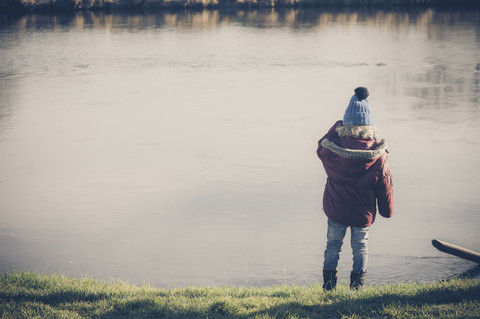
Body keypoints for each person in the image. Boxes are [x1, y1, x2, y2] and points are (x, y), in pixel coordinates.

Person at [316, 87, 394, 291]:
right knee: (360, 247)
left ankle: (329, 287)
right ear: (370, 123)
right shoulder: (378, 154)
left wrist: (337, 126)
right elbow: (385, 185)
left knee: (333, 246)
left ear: (345, 121)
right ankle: (357, 288)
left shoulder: (331, 149)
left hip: (336, 209)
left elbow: (320, 147)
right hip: (363, 212)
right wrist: (387, 211)